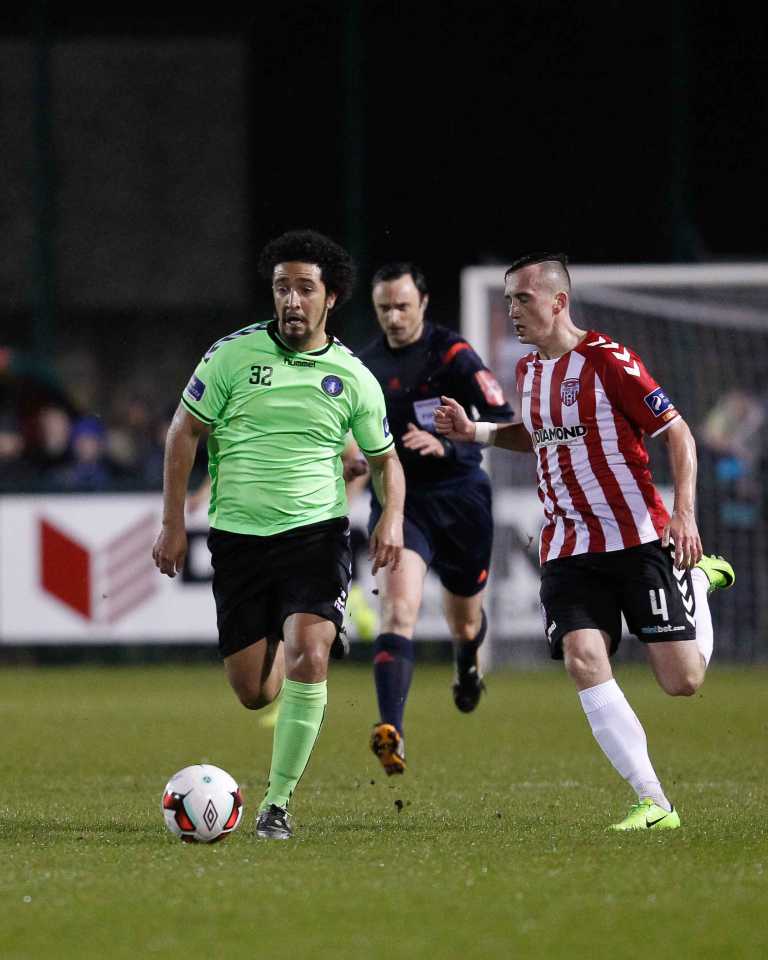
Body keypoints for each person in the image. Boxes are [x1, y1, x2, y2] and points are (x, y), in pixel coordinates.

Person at [435, 252, 735, 831]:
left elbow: (677, 432)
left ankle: (694, 578)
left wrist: (685, 515)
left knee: (683, 681)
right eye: (507, 301)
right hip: (567, 546)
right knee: (582, 658)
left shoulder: (609, 362)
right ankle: (655, 802)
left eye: (523, 299)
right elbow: (537, 434)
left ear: (558, 301)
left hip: (636, 540)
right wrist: (475, 432)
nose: (513, 311)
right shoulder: (528, 372)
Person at [152, 229, 405, 840]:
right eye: (281, 288)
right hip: (237, 541)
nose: (291, 300)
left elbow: (385, 459)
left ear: (331, 297)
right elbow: (183, 433)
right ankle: (302, 650)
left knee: (308, 655)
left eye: (305, 289)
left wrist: (391, 516)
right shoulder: (230, 357)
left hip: (315, 536)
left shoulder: (353, 377)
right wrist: (172, 524)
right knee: (252, 692)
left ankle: (278, 805)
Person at [357, 262, 513, 776]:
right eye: (384, 308)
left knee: (464, 621)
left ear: (423, 303)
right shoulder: (366, 364)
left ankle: (466, 665)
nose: (394, 317)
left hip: (463, 499)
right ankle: (391, 730)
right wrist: (353, 460)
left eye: (403, 306)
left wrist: (448, 441)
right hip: (403, 505)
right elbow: (349, 432)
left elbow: (504, 416)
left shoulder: (453, 355)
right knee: (397, 611)